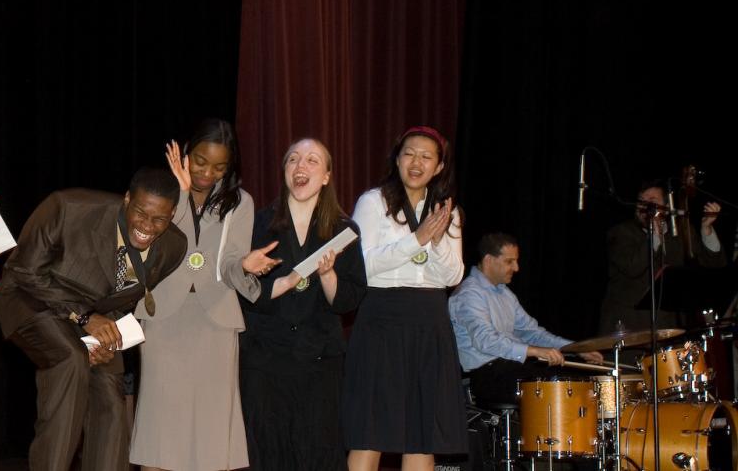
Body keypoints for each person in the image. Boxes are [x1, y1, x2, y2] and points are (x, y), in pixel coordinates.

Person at [0, 167, 187, 471]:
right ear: (127, 200)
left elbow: (124, 297)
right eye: (140, 212)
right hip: (32, 298)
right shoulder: (68, 209)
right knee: (71, 360)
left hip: (96, 316)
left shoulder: (173, 248)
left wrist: (106, 339)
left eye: (159, 219)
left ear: (173, 214)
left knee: (112, 400)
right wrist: (83, 318)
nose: (147, 226)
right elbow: (24, 271)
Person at [131, 120, 279, 471]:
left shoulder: (240, 202)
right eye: (200, 161)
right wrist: (180, 195)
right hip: (165, 317)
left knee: (211, 433)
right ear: (186, 152)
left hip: (215, 320)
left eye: (218, 167)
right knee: (161, 428)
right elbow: (159, 244)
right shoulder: (162, 190)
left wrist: (244, 263)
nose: (206, 173)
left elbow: (228, 263)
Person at [238, 138, 366, 471]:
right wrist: (252, 274)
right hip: (265, 359)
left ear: (326, 176)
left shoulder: (345, 230)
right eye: (293, 159)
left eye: (312, 160)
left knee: (318, 452)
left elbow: (349, 300)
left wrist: (328, 276)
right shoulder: (256, 224)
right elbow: (241, 292)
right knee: (265, 451)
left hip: (319, 361)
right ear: (284, 172)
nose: (301, 166)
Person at [344, 126, 466, 471]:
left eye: (427, 157)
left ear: (439, 167)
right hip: (382, 320)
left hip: (429, 324)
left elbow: (453, 277)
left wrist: (438, 240)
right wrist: (417, 239)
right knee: (371, 431)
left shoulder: (447, 211)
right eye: (409, 154)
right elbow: (361, 267)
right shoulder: (373, 201)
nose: (417, 162)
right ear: (397, 160)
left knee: (421, 434)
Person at [450, 232, 604, 407]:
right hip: (483, 374)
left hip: (506, 369)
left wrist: (576, 349)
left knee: (574, 380)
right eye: (509, 261)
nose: (516, 268)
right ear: (488, 260)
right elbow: (485, 341)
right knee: (555, 384)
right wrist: (535, 351)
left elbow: (532, 333)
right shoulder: (469, 294)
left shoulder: (504, 293)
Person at [599, 182, 724, 332]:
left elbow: (715, 266)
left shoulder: (680, 232)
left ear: (667, 205)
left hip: (670, 328)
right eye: (641, 201)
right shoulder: (621, 233)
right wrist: (655, 236)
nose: (644, 206)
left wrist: (706, 229)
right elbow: (632, 267)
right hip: (629, 327)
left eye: (652, 201)